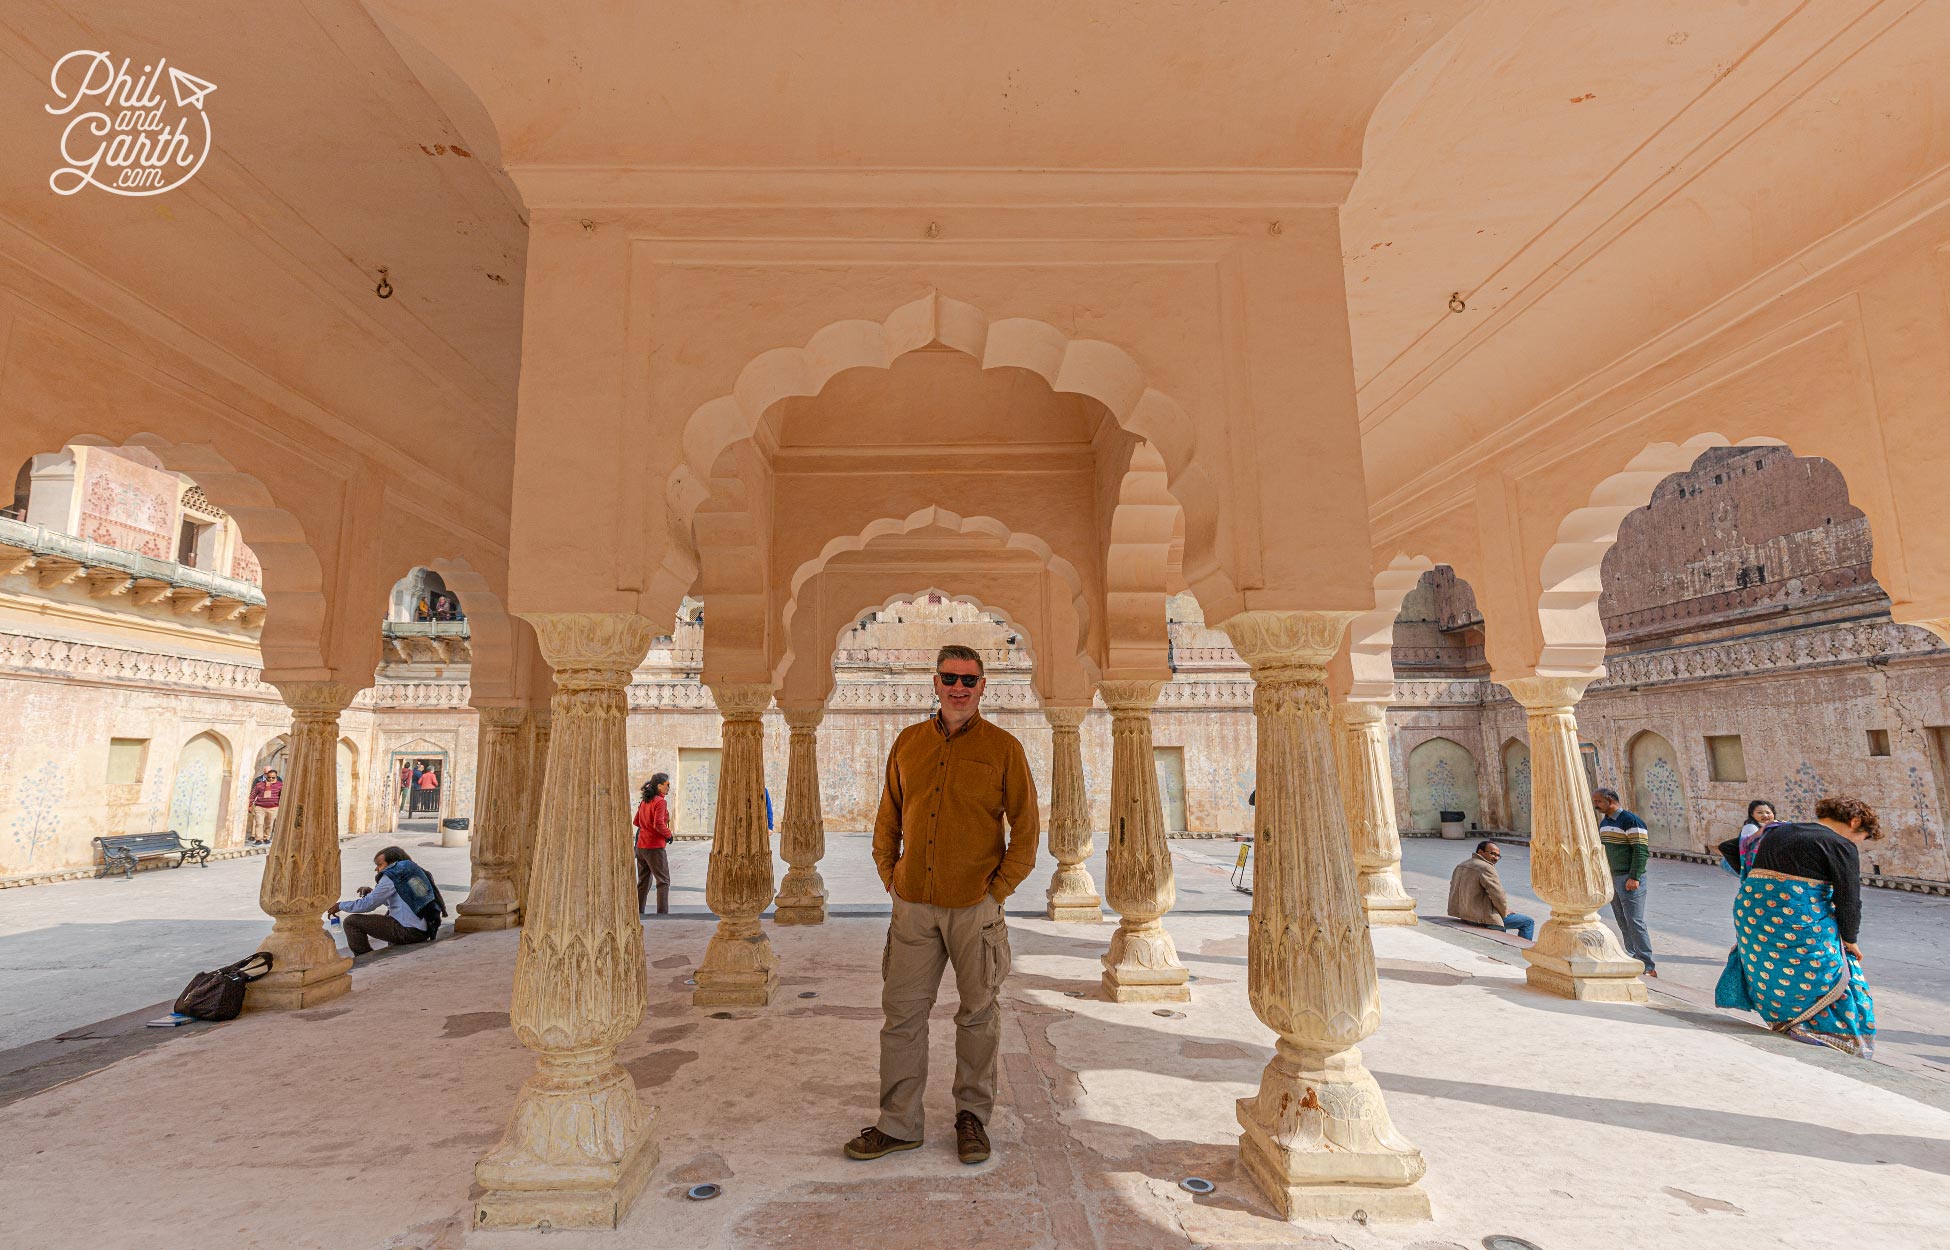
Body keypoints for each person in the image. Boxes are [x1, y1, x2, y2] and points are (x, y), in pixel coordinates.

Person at [845, 644, 1039, 1167]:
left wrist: (999, 891)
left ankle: (971, 1117)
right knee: (902, 1014)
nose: (959, 687)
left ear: (982, 687)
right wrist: (891, 875)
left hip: (975, 904)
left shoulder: (1004, 748)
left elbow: (1026, 826)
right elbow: (888, 815)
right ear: (935, 682)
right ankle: (898, 1123)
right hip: (913, 905)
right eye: (950, 678)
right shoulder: (909, 744)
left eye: (969, 680)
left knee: (977, 1014)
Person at [1714, 795, 1879, 1057]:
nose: (1859, 842)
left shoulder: (1779, 830)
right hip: (1794, 915)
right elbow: (1848, 898)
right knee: (1833, 968)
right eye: (1863, 836)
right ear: (1854, 821)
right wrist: (1850, 938)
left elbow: (1731, 847)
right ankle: (1826, 1033)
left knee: (1775, 968)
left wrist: (1759, 881)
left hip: (1753, 913)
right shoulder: (1839, 844)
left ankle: (1787, 1021)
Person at [329, 846, 447, 956]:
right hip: (424, 930)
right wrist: (372, 892)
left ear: (392, 863)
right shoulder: (412, 871)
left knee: (351, 922)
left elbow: (367, 905)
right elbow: (403, 900)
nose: (377, 869)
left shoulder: (392, 875)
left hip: (409, 931)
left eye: (379, 865)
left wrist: (340, 905)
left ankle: (365, 958)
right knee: (390, 913)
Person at [1593, 787, 1656, 977]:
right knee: (1622, 920)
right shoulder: (1605, 823)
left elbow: (1641, 850)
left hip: (1629, 879)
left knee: (1635, 921)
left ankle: (1647, 964)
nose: (1596, 806)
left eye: (1598, 802)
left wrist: (1634, 876)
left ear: (1610, 800)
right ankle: (1632, 955)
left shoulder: (1631, 821)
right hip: (1613, 878)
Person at [1446, 840, 1535, 940]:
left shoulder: (1461, 865)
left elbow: (1453, 889)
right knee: (1528, 922)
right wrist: (1504, 911)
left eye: (1498, 856)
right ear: (1480, 852)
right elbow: (1498, 895)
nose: (1496, 858)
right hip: (1484, 918)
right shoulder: (1486, 867)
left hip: (1465, 915)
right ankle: (1523, 952)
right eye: (1493, 854)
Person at [635, 773, 673, 917]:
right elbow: (658, 824)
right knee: (663, 881)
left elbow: (637, 821)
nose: (669, 787)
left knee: (643, 881)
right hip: (654, 847)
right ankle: (662, 915)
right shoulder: (660, 802)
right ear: (659, 786)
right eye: (667, 784)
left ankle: (638, 912)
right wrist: (668, 835)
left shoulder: (645, 801)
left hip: (641, 846)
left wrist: (646, 825)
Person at [246, 768, 282, 845]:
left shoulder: (280, 785)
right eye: (269, 777)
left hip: (273, 807)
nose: (271, 779)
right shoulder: (259, 784)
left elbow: (282, 796)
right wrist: (249, 805)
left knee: (269, 824)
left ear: (276, 777)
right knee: (259, 823)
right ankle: (258, 839)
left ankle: (266, 837)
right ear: (266, 777)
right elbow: (253, 795)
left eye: (273, 777)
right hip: (260, 807)